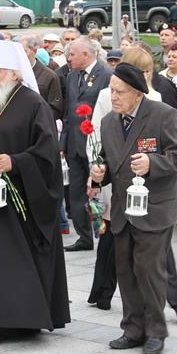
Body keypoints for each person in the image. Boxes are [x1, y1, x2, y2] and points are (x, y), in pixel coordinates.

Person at [0, 40, 70, 336]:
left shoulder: (34, 104)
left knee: (12, 261)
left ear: (15, 74)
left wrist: (17, 162)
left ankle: (18, 320)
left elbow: (47, 155)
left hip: (20, 203)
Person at [89, 63, 177, 354]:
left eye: (120, 92)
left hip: (154, 208)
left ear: (137, 94)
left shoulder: (162, 115)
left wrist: (153, 163)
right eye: (112, 91)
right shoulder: (109, 122)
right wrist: (100, 172)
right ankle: (132, 328)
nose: (114, 97)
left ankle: (156, 331)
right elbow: (110, 162)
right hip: (122, 208)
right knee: (126, 271)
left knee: (149, 270)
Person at [62, 37, 112, 252]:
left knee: (98, 192)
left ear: (86, 54)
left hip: (95, 144)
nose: (69, 58)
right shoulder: (72, 76)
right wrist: (63, 141)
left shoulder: (106, 74)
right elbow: (68, 111)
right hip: (74, 143)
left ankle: (104, 233)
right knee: (75, 193)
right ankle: (84, 237)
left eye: (72, 54)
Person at [19, 35, 62, 120]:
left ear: (34, 51)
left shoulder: (49, 76)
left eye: (24, 51)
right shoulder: (12, 74)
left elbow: (55, 108)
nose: (20, 56)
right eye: (18, 52)